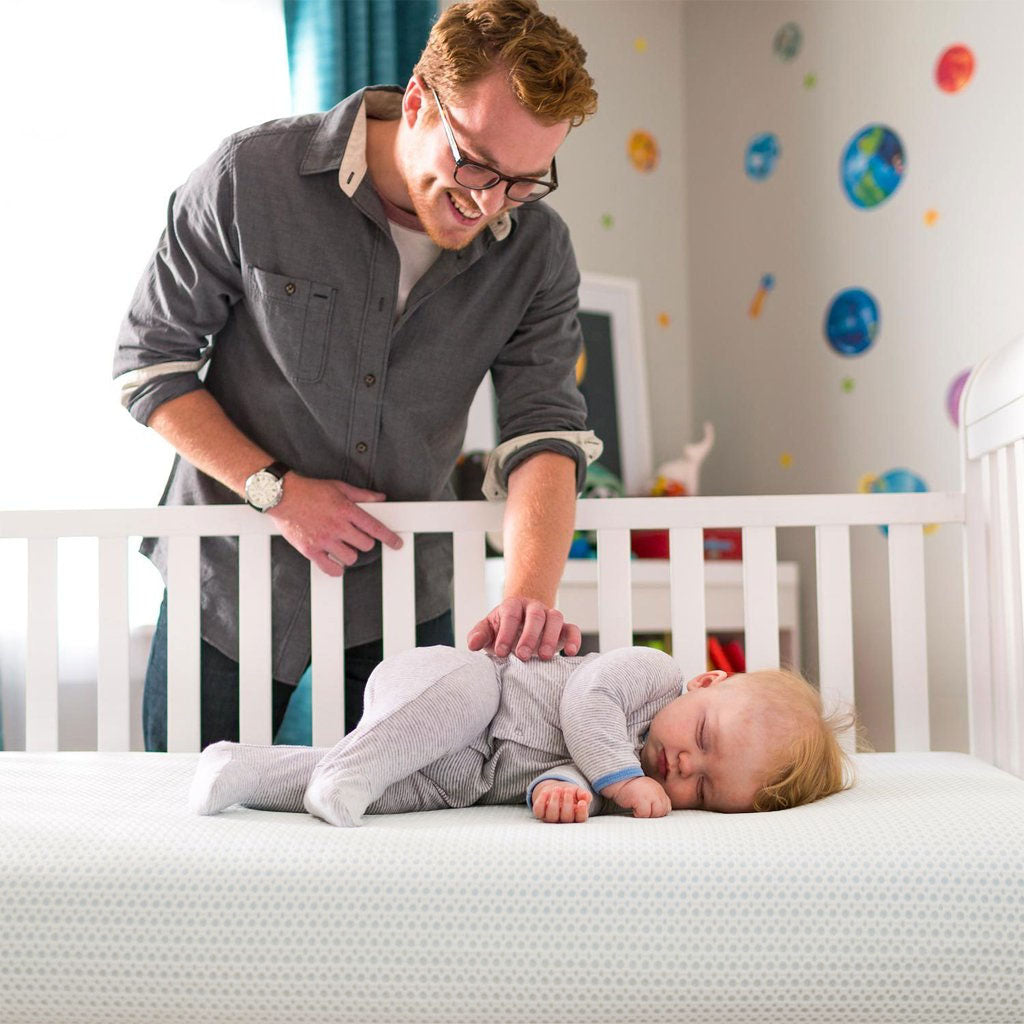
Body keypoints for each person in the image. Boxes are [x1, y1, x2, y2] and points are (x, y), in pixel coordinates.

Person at [112, 0, 602, 750]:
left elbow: (545, 429)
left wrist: (528, 596)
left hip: (401, 582)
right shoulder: (251, 176)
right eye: (473, 162)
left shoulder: (536, 251)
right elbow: (152, 365)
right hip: (233, 565)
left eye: (523, 181)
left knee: (405, 820)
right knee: (190, 817)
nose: (489, 201)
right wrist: (275, 490)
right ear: (415, 102)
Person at [188, 646, 855, 825]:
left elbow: (561, 769)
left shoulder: (633, 783)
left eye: (704, 789)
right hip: (466, 687)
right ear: (709, 683)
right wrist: (617, 780)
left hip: (471, 772)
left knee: (407, 790)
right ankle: (349, 771)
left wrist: (564, 793)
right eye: (703, 737)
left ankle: (239, 772)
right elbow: (583, 702)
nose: (684, 764)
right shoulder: (653, 678)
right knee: (453, 706)